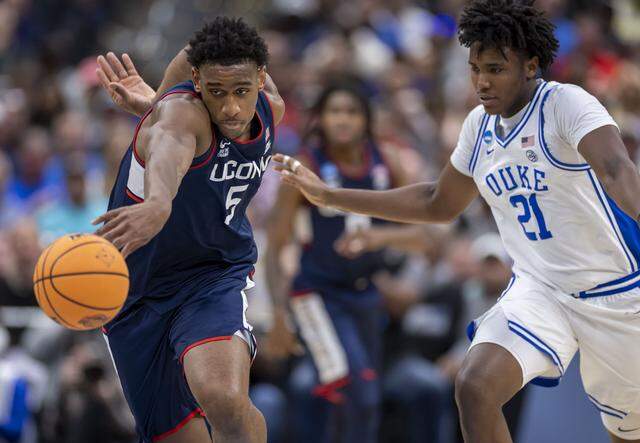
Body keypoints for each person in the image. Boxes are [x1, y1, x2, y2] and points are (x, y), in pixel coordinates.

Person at [273, 1, 640, 442]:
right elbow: (435, 202)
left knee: (626, 432)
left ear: (531, 65)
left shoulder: (565, 103)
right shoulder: (479, 127)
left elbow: (617, 170)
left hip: (613, 291)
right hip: (540, 291)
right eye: (474, 69)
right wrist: (329, 196)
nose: (482, 82)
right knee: (475, 385)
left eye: (495, 69)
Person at [93, 17, 285, 443]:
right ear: (196, 81)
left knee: (223, 396)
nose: (232, 107)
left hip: (210, 275)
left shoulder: (273, 107)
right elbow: (169, 149)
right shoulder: (180, 115)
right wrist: (159, 201)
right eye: (216, 93)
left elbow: (202, 51)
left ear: (261, 78)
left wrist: (154, 101)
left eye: (241, 91)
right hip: (134, 291)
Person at [264, 79, 410, 442]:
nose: (342, 120)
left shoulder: (386, 162)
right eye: (334, 112)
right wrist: (280, 316)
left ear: (366, 119)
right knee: (356, 392)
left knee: (358, 402)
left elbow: (427, 235)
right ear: (321, 119)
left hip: (365, 295)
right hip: (317, 296)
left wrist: (381, 238)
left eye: (351, 112)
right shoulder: (305, 167)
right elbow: (275, 248)